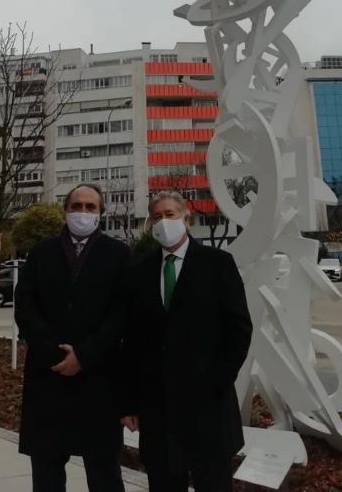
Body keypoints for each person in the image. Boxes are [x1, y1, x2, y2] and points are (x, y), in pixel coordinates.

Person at [120, 190, 253, 492]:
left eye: (170, 214)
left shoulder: (218, 264)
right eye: (157, 216)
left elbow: (239, 329)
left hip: (207, 405)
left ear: (185, 218)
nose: (164, 222)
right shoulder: (139, 272)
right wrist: (128, 401)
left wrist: (217, 380)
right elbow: (131, 341)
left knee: (213, 483)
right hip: (158, 409)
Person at [15, 183, 131, 492]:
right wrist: (57, 354)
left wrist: (84, 355)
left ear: (100, 214)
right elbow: (25, 309)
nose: (82, 212)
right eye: (76, 206)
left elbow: (122, 314)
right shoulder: (41, 253)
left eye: (90, 207)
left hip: (98, 380)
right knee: (46, 470)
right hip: (48, 378)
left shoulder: (119, 254)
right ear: (65, 211)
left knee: (104, 470)